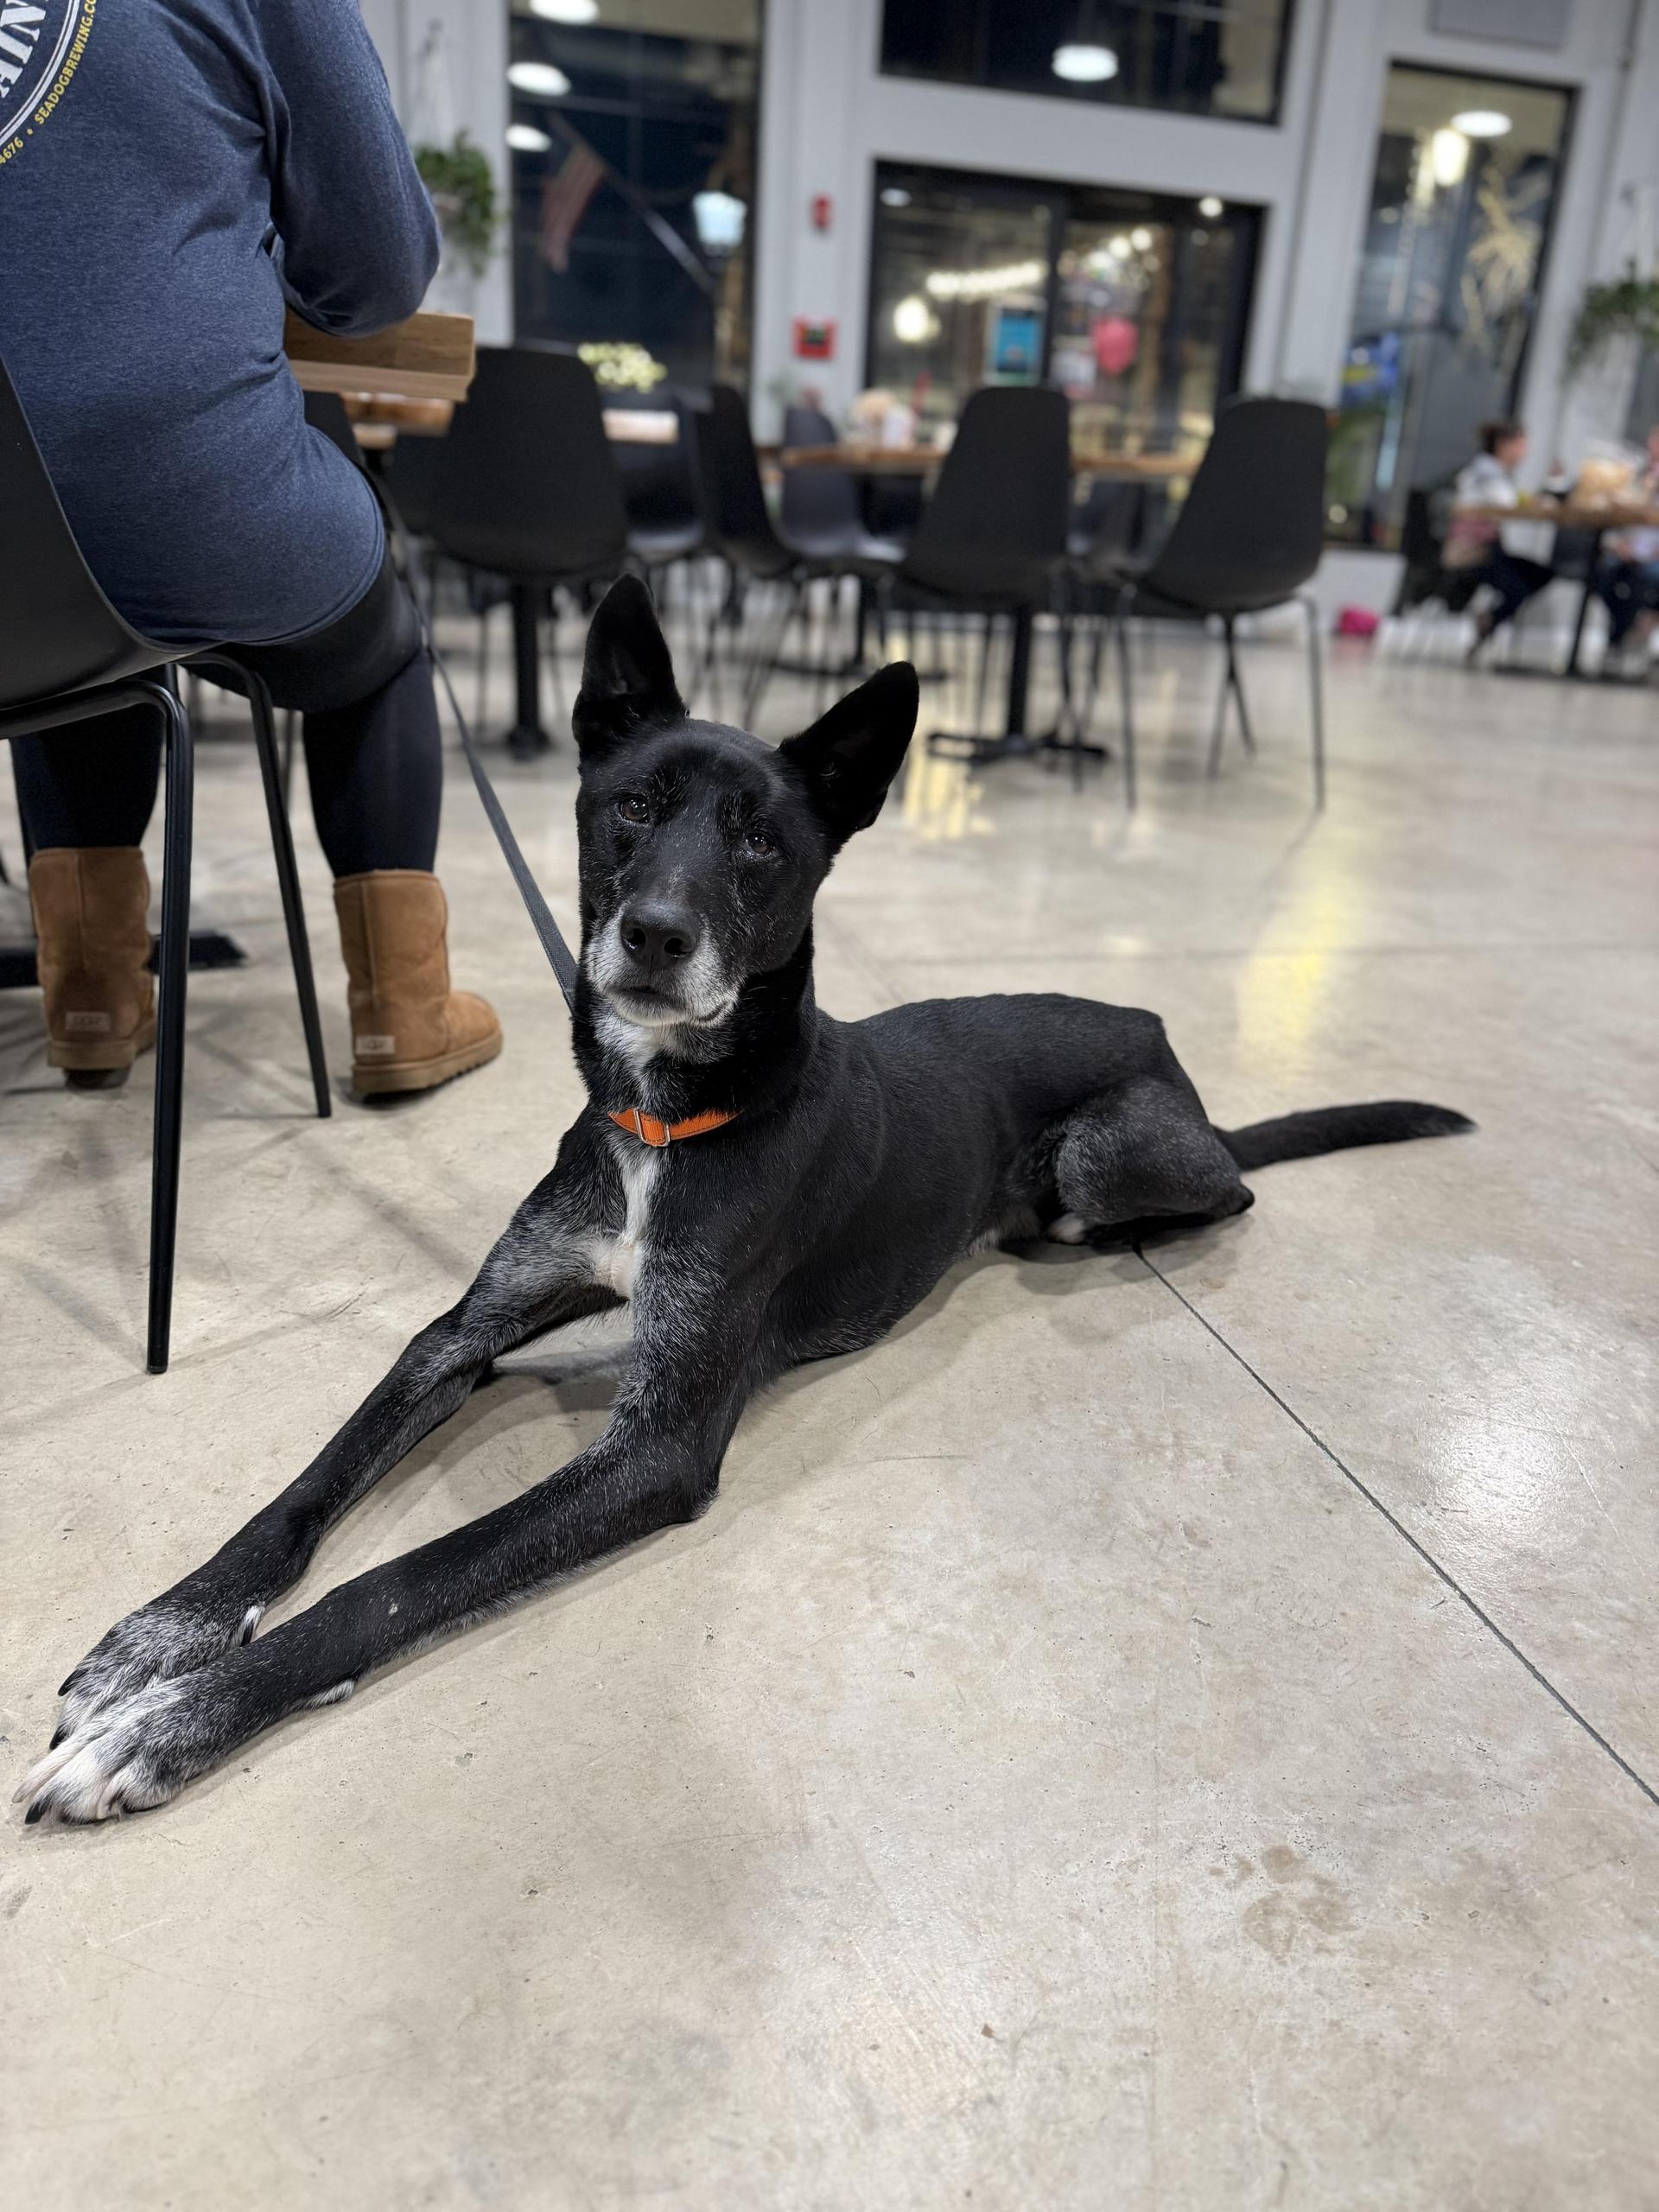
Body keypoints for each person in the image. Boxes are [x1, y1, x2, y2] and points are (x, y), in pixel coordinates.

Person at [0, 0, 500, 1096]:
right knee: (376, 638)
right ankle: (402, 1013)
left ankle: (89, 992)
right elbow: (377, 277)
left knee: (51, 583)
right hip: (192, 504)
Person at [1445, 419, 1556, 662]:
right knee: (1519, 585)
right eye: (1521, 445)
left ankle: (1488, 620)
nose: (1525, 452)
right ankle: (1488, 621)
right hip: (1470, 552)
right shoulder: (1486, 471)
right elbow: (1506, 502)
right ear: (1504, 445)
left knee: (1540, 574)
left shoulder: (1490, 470)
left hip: (1487, 549)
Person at [1593, 425, 1659, 677]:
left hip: (1653, 557)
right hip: (1627, 550)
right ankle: (1623, 632)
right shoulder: (1633, 475)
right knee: (1602, 573)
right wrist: (1618, 544)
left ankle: (1619, 638)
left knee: (1641, 581)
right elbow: (1615, 515)